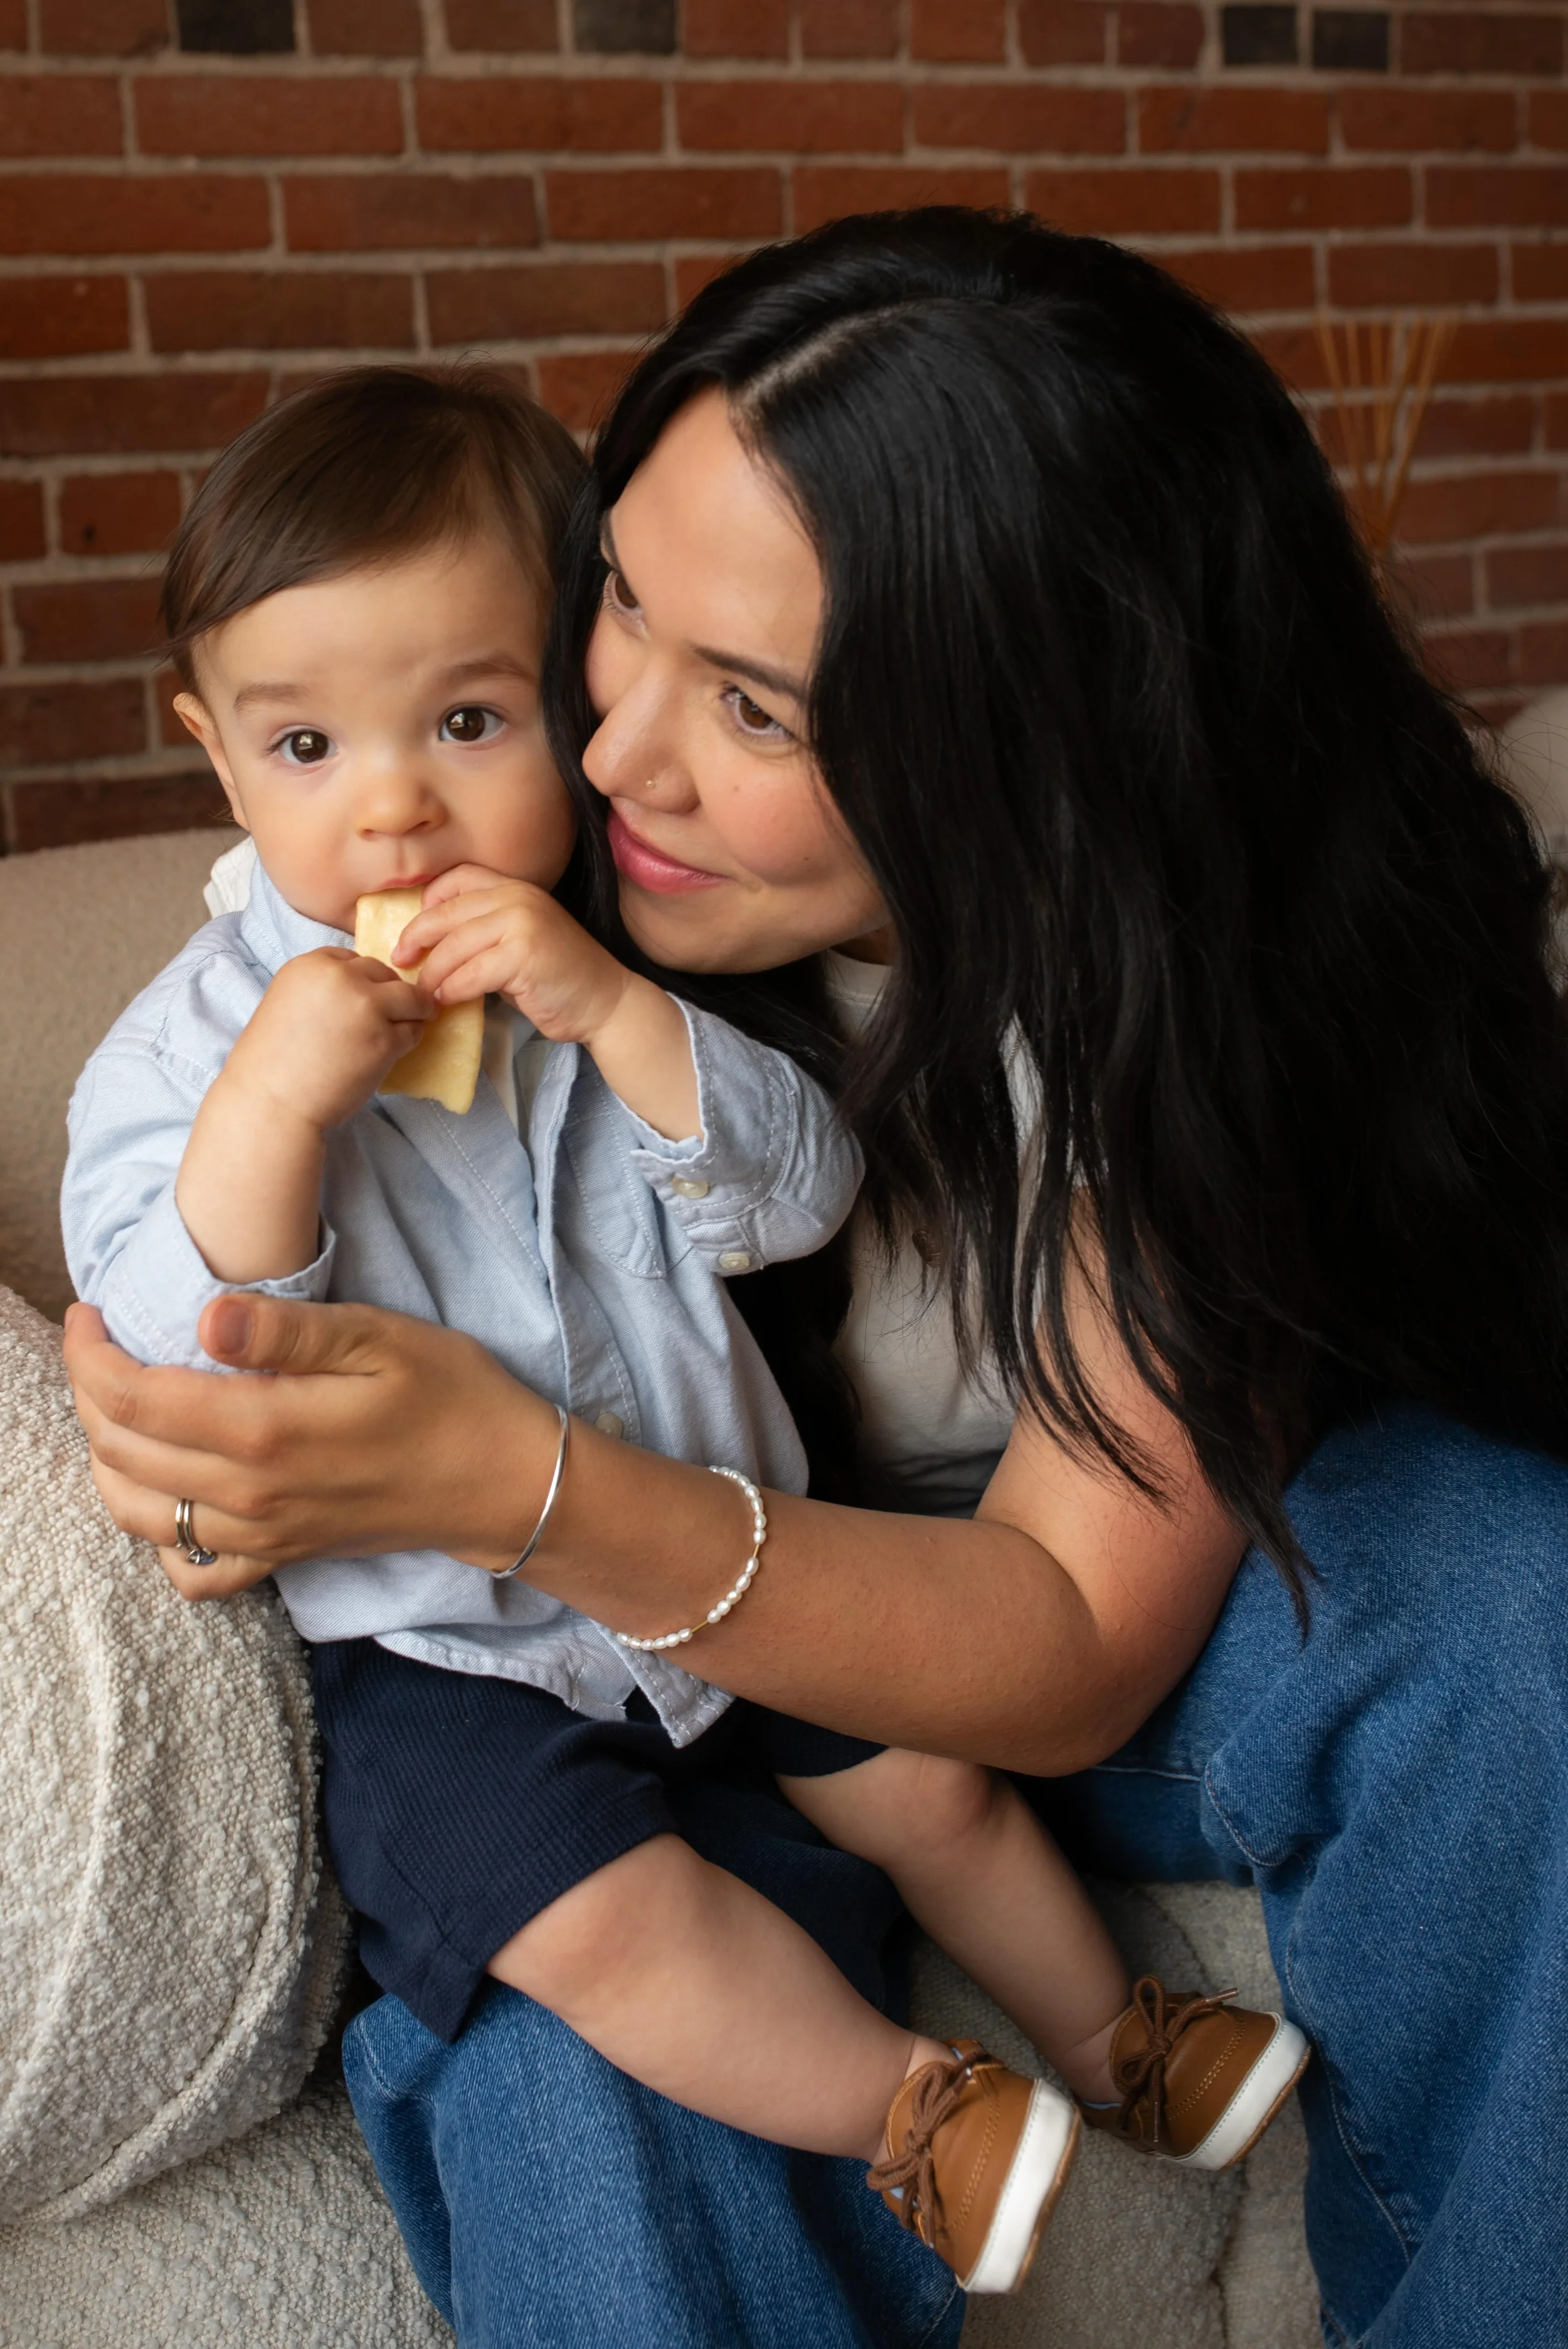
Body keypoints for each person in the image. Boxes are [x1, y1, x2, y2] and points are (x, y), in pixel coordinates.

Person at [63, 210, 1568, 2349]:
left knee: (1516, 1603)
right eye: (620, 619)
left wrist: (523, 1487)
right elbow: (209, 1157)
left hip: (1046, 1609)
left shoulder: (1218, 1003)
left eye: (753, 705)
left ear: (1035, 754)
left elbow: (1057, 1637)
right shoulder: (477, 821)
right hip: (606, 1669)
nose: (608, 764)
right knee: (589, 2019)